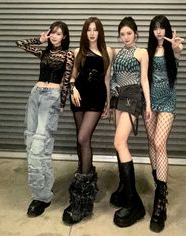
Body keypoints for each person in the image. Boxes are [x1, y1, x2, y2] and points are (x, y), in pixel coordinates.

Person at [16, 21, 74, 217]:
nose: (55, 36)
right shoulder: (45, 53)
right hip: (35, 95)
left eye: (59, 33)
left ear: (64, 37)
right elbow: (20, 43)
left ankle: (40, 198)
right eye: (53, 33)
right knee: (31, 141)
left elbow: (66, 80)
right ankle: (44, 192)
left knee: (39, 147)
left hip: (52, 98)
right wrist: (39, 40)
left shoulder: (68, 55)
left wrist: (62, 104)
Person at [62, 17, 113, 225]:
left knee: (84, 138)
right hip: (79, 97)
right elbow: (73, 75)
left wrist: (108, 102)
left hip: (96, 99)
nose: (92, 33)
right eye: (89, 30)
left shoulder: (108, 52)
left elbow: (107, 79)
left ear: (100, 32)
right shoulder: (77, 51)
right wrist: (73, 88)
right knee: (79, 140)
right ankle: (83, 182)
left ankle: (82, 197)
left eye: (95, 30)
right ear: (85, 32)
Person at [109, 16, 152, 227]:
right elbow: (112, 75)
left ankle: (134, 202)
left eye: (129, 33)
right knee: (119, 145)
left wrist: (149, 105)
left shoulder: (142, 52)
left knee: (119, 142)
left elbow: (144, 79)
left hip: (133, 96)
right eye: (122, 34)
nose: (125, 37)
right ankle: (124, 189)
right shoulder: (116, 52)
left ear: (135, 33)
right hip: (117, 97)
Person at [144, 14, 184, 232]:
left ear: (167, 30)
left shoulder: (172, 49)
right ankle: (158, 178)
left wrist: (176, 48)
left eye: (162, 28)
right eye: (155, 28)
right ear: (152, 31)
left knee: (160, 144)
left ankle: (160, 197)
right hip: (150, 102)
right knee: (151, 142)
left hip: (168, 101)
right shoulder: (147, 52)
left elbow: (178, 53)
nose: (159, 32)